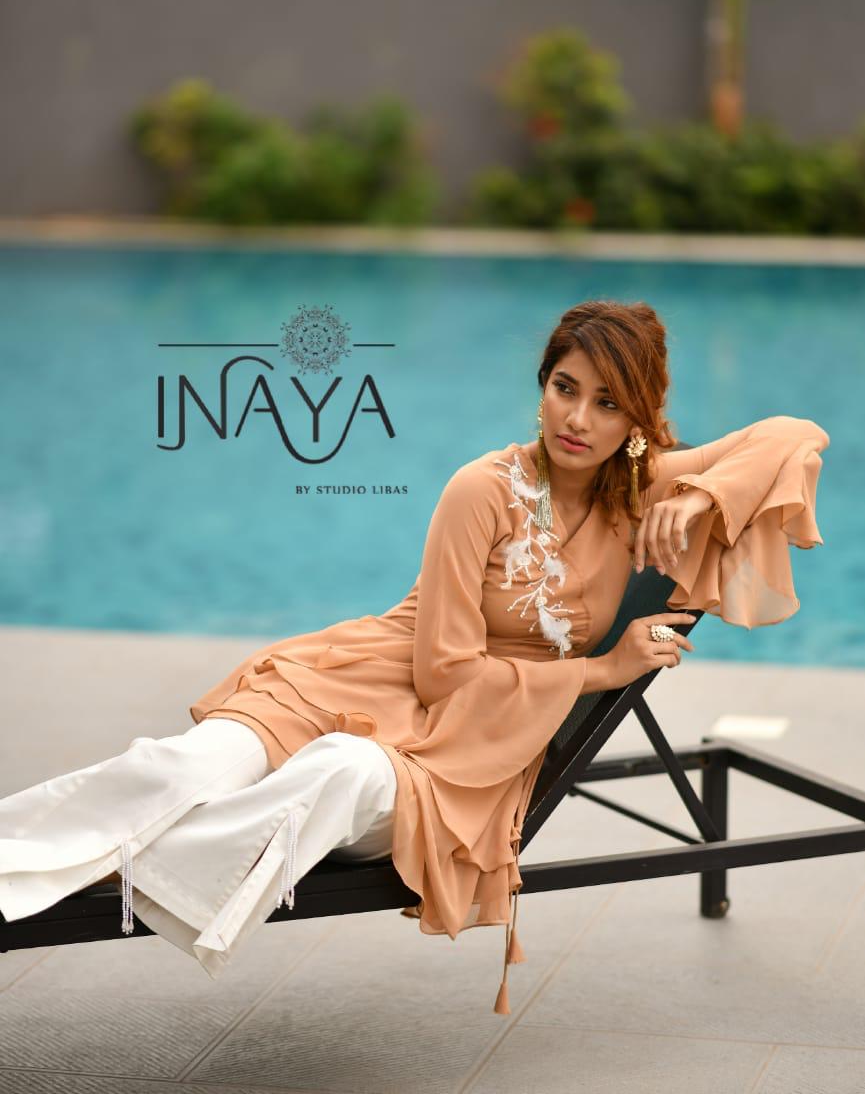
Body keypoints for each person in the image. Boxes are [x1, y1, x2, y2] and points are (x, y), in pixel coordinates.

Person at [0, 299, 830, 1016]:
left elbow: (795, 436)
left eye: (606, 402)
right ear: (541, 386)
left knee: (340, 772)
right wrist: (599, 672)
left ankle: (112, 865)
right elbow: (441, 672)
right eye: (564, 387)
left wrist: (703, 494)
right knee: (188, 765)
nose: (577, 419)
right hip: (360, 679)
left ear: (636, 419)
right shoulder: (482, 488)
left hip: (464, 747)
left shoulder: (642, 491)